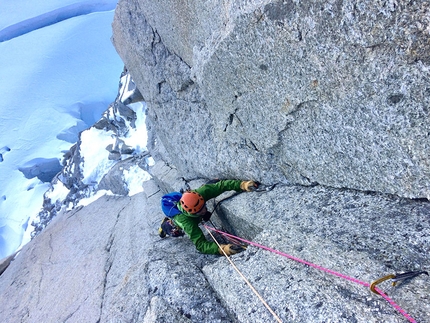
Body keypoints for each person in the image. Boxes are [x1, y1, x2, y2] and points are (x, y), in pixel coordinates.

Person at [167, 179, 256, 256]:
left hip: (182, 201)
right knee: (170, 227)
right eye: (200, 211)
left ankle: (209, 185)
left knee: (209, 188)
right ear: (192, 213)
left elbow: (221, 186)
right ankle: (164, 226)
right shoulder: (187, 223)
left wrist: (242, 185)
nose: (204, 211)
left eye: (203, 206)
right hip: (173, 213)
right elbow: (200, 245)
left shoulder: (199, 194)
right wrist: (222, 249)